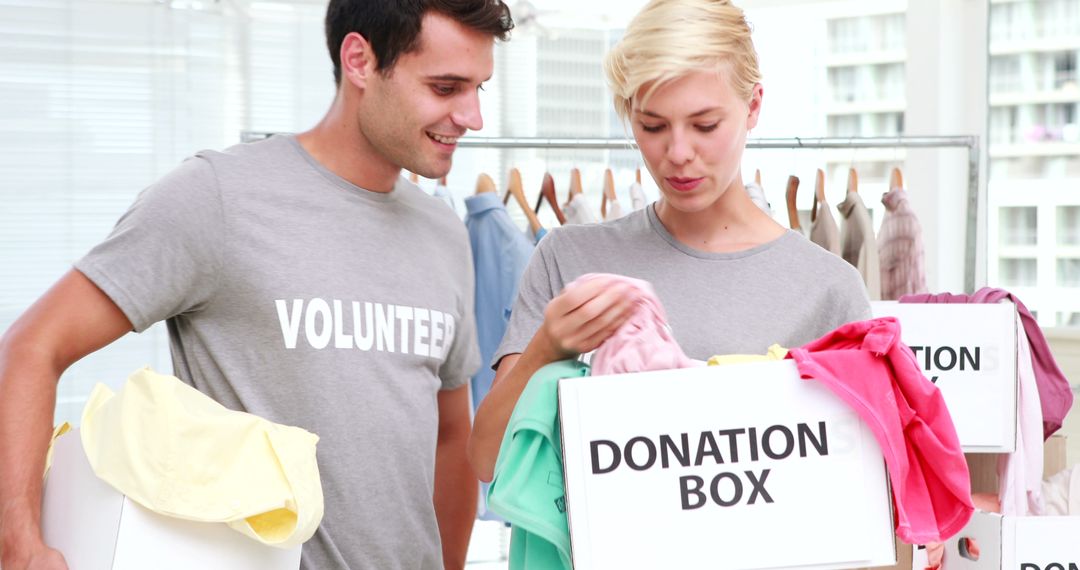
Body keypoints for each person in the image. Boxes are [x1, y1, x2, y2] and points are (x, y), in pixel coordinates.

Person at [0, 1, 512, 569]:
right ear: (360, 60)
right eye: (446, 88)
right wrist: (20, 545)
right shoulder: (217, 197)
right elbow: (31, 347)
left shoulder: (443, 230)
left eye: (478, 89)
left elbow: (449, 433)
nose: (471, 117)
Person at [467, 0, 871, 482]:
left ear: (754, 107)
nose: (677, 154)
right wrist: (547, 348)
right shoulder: (568, 259)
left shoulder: (829, 290)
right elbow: (488, 461)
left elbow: (857, 489)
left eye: (705, 125)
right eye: (652, 126)